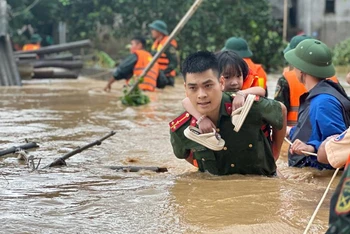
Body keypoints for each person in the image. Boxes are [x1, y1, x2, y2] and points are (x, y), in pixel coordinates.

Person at [169, 51, 287, 176]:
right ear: (185, 88)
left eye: (208, 85)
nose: (201, 95)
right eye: (193, 88)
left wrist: (275, 153)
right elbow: (184, 154)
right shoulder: (183, 128)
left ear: (221, 83)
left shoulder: (250, 107)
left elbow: (281, 111)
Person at [285, 39, 350, 169]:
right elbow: (310, 130)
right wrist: (286, 131)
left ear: (302, 70)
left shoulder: (323, 103)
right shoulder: (324, 93)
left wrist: (311, 147)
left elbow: (338, 149)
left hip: (318, 175)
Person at [182, 50, 266, 134]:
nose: (234, 82)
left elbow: (261, 91)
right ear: (218, 79)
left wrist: (242, 93)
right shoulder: (209, 92)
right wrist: (201, 119)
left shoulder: (244, 90)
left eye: (238, 76)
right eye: (227, 77)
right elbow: (185, 101)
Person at [275, 35, 339, 126]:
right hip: (299, 134)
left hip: (294, 136)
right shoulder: (334, 81)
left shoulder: (285, 79)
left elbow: (277, 115)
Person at [149, 20, 178, 87]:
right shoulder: (156, 44)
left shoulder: (168, 45)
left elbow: (174, 63)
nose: (151, 31)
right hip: (157, 76)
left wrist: (164, 73)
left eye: (153, 29)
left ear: (159, 31)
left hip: (167, 78)